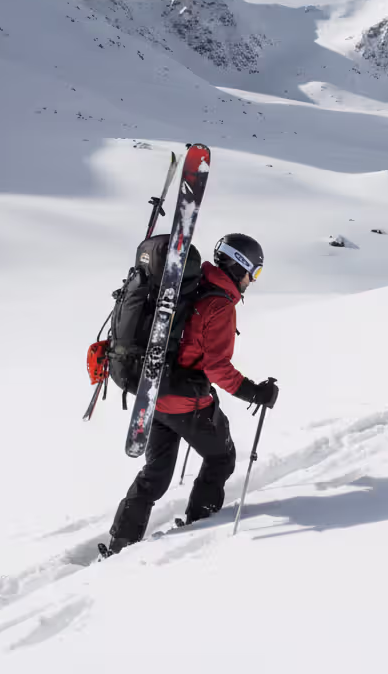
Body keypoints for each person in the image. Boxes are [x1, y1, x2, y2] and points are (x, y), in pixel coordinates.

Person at [106, 233, 278, 554]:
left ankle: (121, 541)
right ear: (239, 267)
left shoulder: (194, 285)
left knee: (155, 473)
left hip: (156, 393)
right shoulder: (220, 305)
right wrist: (256, 392)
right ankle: (201, 525)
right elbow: (216, 368)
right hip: (186, 402)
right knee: (221, 457)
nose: (251, 281)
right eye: (253, 273)